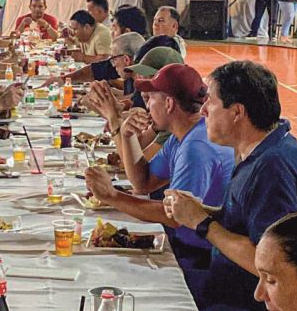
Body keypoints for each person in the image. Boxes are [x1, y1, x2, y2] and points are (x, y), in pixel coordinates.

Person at [165, 60, 297, 311]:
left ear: (237, 112)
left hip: (258, 309)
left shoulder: (273, 169)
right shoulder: (260, 152)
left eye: (211, 103)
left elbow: (270, 264)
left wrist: (202, 223)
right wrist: (201, 211)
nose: (203, 111)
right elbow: (246, 222)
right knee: (154, 289)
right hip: (229, 288)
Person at [87, 63, 234, 270]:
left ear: (169, 104)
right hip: (188, 247)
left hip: (201, 259)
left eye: (151, 98)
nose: (147, 106)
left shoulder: (196, 147)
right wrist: (126, 136)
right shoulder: (182, 135)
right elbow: (143, 182)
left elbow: (174, 217)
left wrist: (111, 196)